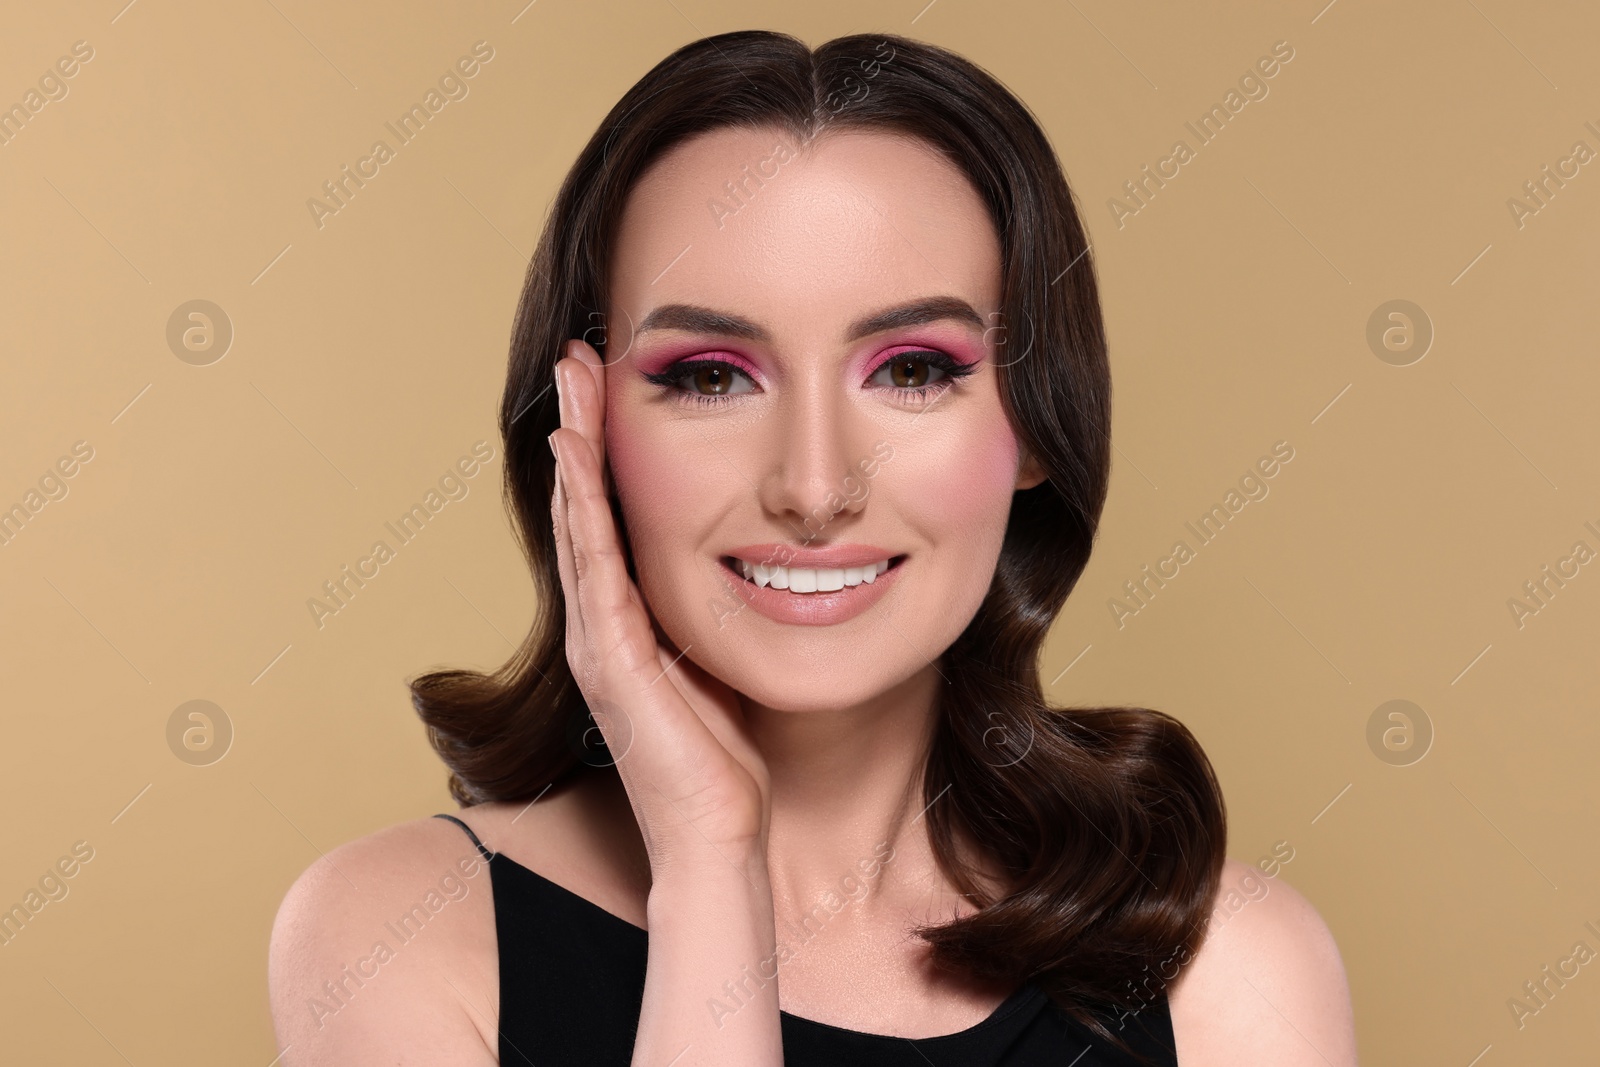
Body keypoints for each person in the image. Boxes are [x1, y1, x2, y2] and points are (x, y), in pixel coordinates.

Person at [268, 29, 1358, 1066]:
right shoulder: (400, 930)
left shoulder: (1225, 969)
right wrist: (707, 865)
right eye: (708, 376)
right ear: (585, 427)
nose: (814, 487)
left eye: (912, 369)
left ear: (1032, 421)